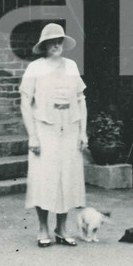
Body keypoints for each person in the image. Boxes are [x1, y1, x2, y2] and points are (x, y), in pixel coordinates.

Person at [19, 22, 88, 247]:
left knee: (66, 178)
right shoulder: (35, 68)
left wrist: (83, 132)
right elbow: (25, 103)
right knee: (44, 178)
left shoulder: (71, 66)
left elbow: (81, 100)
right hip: (45, 128)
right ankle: (42, 228)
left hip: (68, 126)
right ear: (44, 45)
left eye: (59, 41)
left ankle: (62, 228)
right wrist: (33, 136)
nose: (56, 45)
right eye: (51, 42)